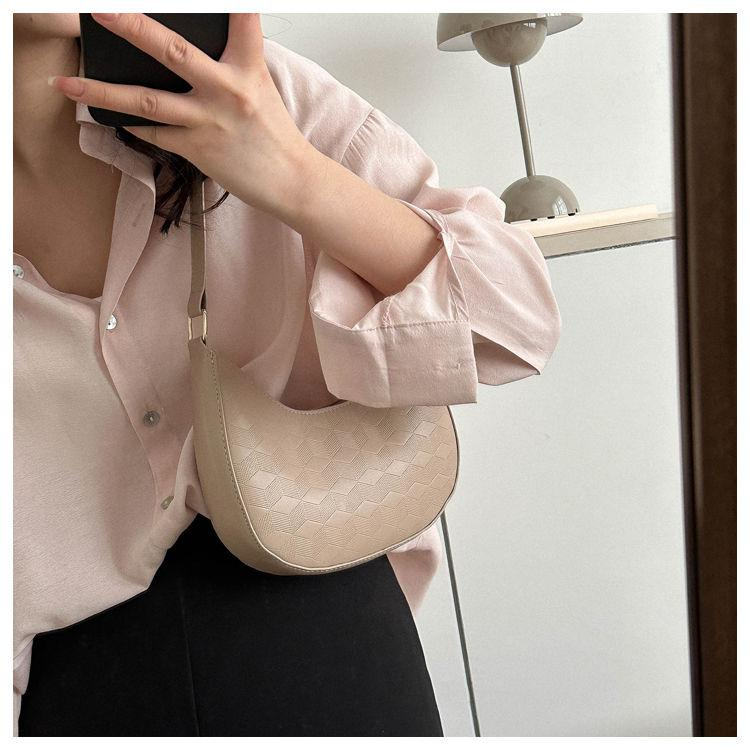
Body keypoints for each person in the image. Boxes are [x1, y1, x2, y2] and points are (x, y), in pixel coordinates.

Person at [13, 13, 562, 737]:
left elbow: (515, 326)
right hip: (62, 685)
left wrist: (289, 172)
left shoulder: (248, 86)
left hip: (320, 618)